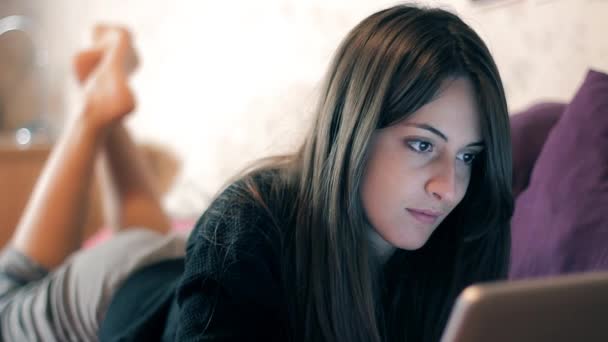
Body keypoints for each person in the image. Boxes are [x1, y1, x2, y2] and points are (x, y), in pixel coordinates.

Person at [0, 4, 513, 342]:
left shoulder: (462, 239)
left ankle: (107, 101)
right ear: (352, 129)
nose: (449, 187)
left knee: (142, 231)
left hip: (167, 264)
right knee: (12, 287)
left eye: (469, 156)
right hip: (108, 299)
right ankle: (95, 110)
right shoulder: (247, 223)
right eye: (422, 144)